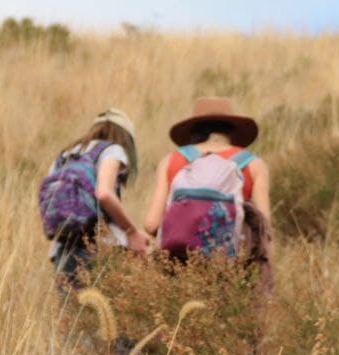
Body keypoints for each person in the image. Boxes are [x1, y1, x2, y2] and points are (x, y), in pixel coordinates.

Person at [144, 97, 273, 274]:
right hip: (230, 269)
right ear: (232, 130)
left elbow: (151, 224)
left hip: (177, 267)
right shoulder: (254, 165)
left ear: (193, 129)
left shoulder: (171, 161)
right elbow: (264, 228)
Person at [41, 108, 149, 290]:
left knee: (70, 315)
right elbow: (104, 193)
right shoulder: (113, 150)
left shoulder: (65, 156)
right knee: (103, 315)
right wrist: (131, 231)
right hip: (99, 246)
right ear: (125, 136)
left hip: (62, 250)